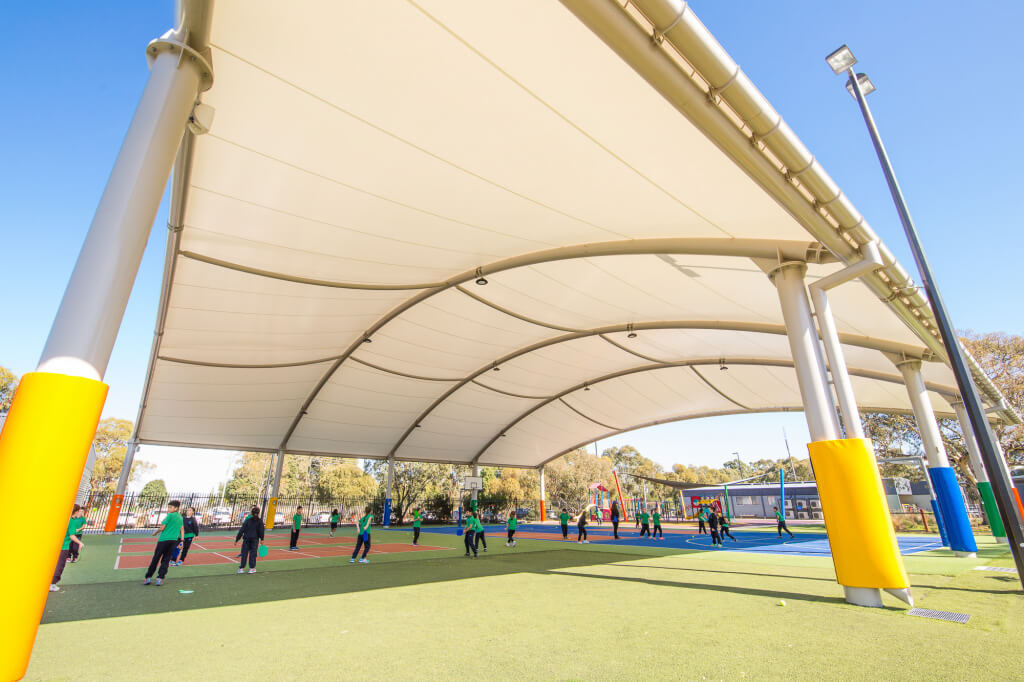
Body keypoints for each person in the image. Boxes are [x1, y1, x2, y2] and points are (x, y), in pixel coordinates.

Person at [143, 501, 183, 586]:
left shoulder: (170, 516)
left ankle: (148, 577)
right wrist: (182, 541)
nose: (169, 509)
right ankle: (160, 578)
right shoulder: (180, 517)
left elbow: (162, 527)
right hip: (173, 541)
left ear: (176, 508)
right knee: (166, 559)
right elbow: (181, 529)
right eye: (168, 507)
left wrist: (155, 532)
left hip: (163, 540)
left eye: (171, 507)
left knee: (156, 558)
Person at [51, 506, 86, 591]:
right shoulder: (72, 522)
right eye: (79, 511)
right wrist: (80, 542)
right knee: (60, 565)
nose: (79, 513)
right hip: (64, 546)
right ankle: (52, 584)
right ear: (76, 512)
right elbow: (72, 535)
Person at [235, 506, 264, 574]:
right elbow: (261, 531)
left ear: (251, 513)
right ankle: (252, 568)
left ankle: (241, 568)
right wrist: (262, 539)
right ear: (258, 513)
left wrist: (237, 539)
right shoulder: (260, 521)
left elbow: (241, 530)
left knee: (244, 554)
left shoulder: (247, 521)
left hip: (246, 539)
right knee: (253, 554)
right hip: (254, 540)